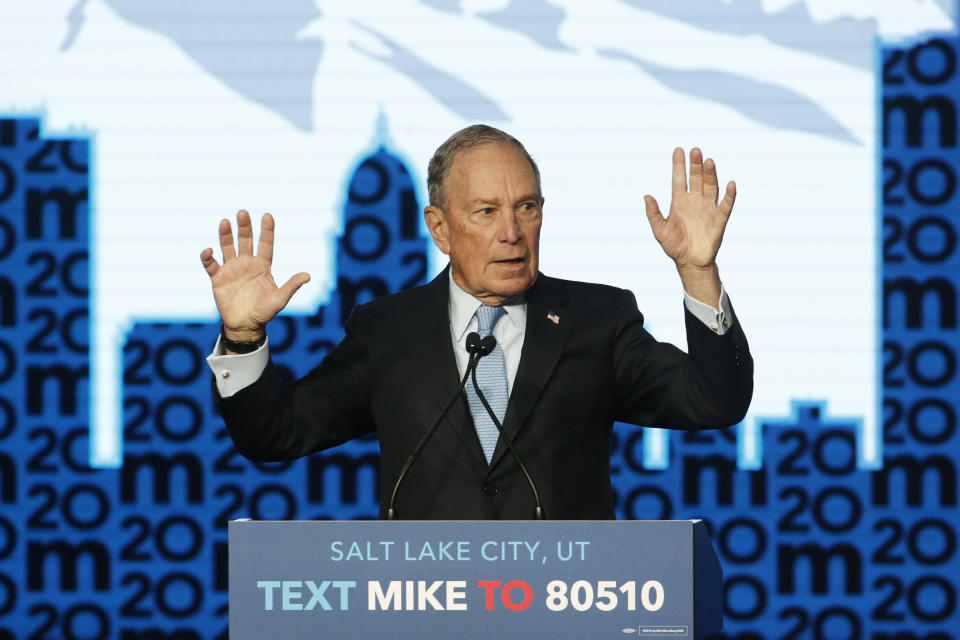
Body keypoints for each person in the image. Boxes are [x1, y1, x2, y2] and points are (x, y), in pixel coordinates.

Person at [200, 125, 753, 520]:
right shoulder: (387, 331)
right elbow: (275, 435)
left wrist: (697, 270)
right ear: (439, 229)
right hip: (426, 614)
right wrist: (244, 337)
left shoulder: (596, 321)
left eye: (527, 208)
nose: (512, 232)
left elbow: (714, 402)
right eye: (486, 212)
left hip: (568, 614)